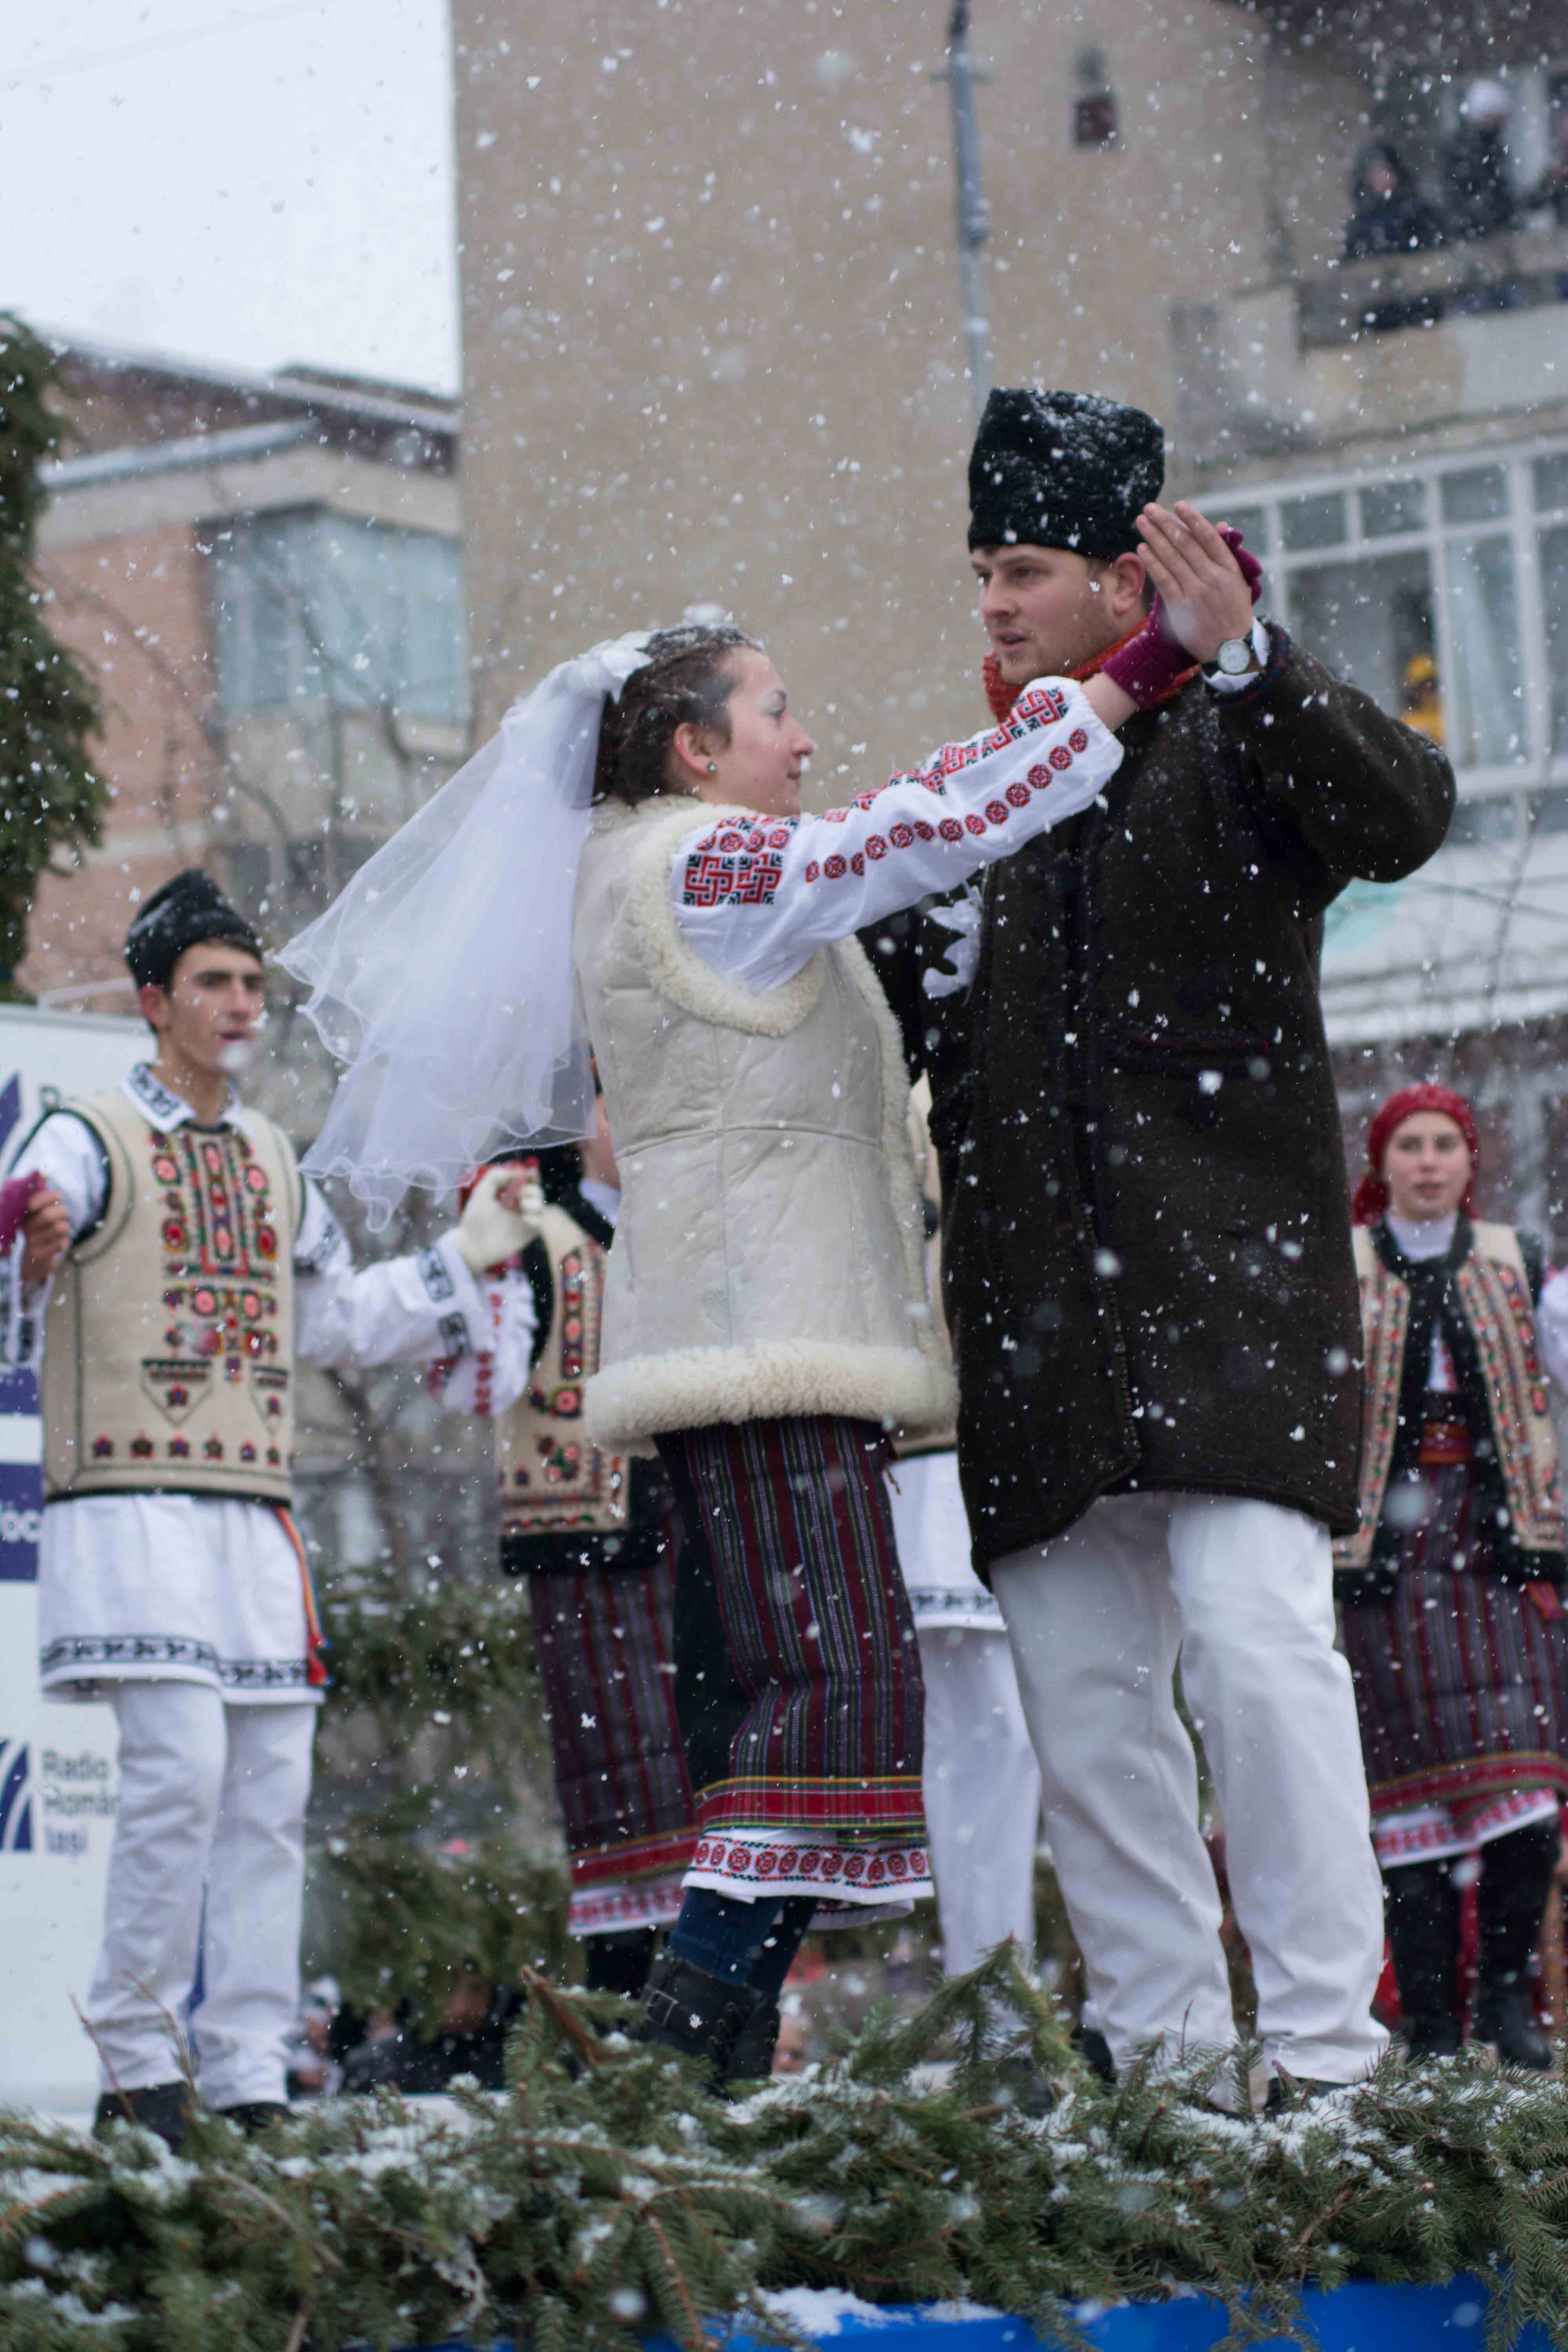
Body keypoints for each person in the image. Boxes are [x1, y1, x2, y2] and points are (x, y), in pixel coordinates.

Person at [283, 577, 1217, 2083]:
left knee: (831, 1689)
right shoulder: (696, 864)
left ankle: (696, 2056)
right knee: (831, 1687)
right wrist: (1139, 670)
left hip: (757, 1334)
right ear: (692, 748)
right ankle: (684, 2041)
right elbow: (907, 830)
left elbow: (896, 829)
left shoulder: (662, 864)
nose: (803, 738)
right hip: (759, 1339)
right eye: (774, 711)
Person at [871, 387, 1455, 2101]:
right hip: (1034, 1336)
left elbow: (1401, 815)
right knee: (1085, 1716)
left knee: (1258, 1649)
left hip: (1234, 1314)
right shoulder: (972, 798)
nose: (991, 601)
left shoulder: (1238, 735)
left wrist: (1251, 657)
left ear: (1128, 580)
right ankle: (1169, 2080)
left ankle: (1329, 2063)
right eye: (981, 568)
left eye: (1023, 567)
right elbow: (860, 1018)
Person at [0, 870, 541, 2150]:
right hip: (131, 1501)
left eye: (252, 983)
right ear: (154, 1002)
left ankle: (247, 2072)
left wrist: (462, 1259)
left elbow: (335, 1321)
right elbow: (21, 1251)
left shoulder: (273, 1160)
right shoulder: (83, 1134)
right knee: (180, 1776)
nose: (242, 1003)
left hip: (253, 1515)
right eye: (215, 982)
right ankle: (138, 2062)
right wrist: (30, 1248)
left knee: (267, 1794)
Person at [434, 1095, 698, 2002]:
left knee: (708, 1768)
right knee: (619, 1784)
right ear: (581, 1120)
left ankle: (710, 1997)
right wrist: (485, 1257)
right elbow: (478, 1382)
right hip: (583, 1539)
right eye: (612, 1103)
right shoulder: (534, 1229)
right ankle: (628, 2003)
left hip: (691, 1534)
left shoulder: (686, 1226)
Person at [1337, 1085, 1568, 2070]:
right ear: (1381, 1163)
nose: (1427, 1162)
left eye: (1443, 1144)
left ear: (1470, 1161)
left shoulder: (1520, 1264)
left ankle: (1504, 2003)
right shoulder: (1342, 1268)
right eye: (1409, 1145)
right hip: (1381, 1559)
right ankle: (1430, 2026)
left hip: (1499, 1545)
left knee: (1529, 1792)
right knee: (1407, 1807)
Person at [887, 1093, 1040, 1980]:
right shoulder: (899, 1091)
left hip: (1015, 1440)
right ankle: (991, 1984)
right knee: (983, 1731)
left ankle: (1002, 1984)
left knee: (1005, 1731)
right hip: (931, 1452)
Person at [1344, 140, 1445, 261]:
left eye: (1384, 171)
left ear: (1396, 173)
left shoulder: (1419, 214)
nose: (1380, 178)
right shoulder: (1361, 224)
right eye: (1374, 173)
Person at [1443, 79, 1516, 245]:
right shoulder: (1468, 150)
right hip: (1476, 235)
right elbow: (1460, 196)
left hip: (1484, 231)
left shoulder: (1490, 147)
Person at [1400, 652, 1446, 749]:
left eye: (1432, 686)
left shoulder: (1449, 713)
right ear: (1414, 692)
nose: (1428, 692)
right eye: (1423, 688)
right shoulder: (1409, 722)